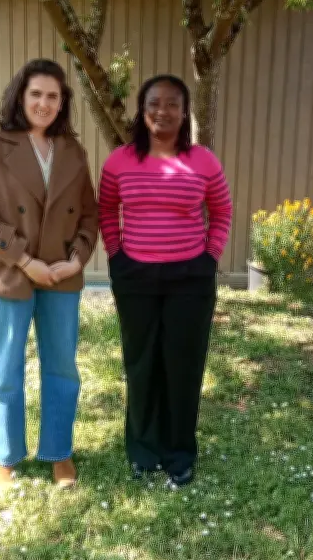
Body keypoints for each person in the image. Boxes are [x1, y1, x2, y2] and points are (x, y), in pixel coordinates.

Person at [0, 59, 98, 494]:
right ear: (20, 96)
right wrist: (24, 260)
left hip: (60, 275)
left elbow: (90, 215)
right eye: (36, 93)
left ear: (63, 103)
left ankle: (59, 451)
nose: (44, 103)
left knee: (62, 367)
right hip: (8, 275)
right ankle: (2, 456)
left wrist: (77, 260)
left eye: (53, 96)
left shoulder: (73, 150)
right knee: (4, 368)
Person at [99, 74, 232, 488]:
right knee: (141, 364)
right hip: (135, 275)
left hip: (189, 277)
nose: (163, 111)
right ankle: (142, 450)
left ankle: (179, 454)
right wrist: (117, 257)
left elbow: (222, 212)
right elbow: (106, 212)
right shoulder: (119, 161)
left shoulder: (204, 161)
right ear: (142, 109)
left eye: (173, 103)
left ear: (185, 110)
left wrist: (209, 258)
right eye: (154, 102)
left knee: (183, 365)